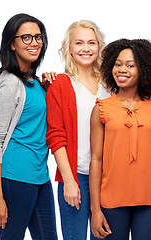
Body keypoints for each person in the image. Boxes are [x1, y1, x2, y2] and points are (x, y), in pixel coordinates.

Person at [0, 13, 57, 239]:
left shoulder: (33, 81)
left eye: (38, 37)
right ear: (12, 44)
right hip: (15, 178)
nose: (34, 42)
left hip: (40, 176)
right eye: (26, 37)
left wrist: (47, 87)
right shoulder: (9, 83)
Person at [89, 38, 151, 240]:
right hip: (111, 201)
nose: (121, 69)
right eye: (117, 64)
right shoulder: (101, 108)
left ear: (143, 69)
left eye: (130, 65)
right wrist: (95, 210)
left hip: (149, 202)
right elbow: (96, 160)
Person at [45, 20, 110, 240]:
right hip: (77, 176)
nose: (86, 48)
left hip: (107, 177)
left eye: (91, 42)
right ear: (69, 48)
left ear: (99, 46)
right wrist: (69, 180)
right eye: (79, 43)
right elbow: (56, 136)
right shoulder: (60, 84)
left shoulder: (110, 84)